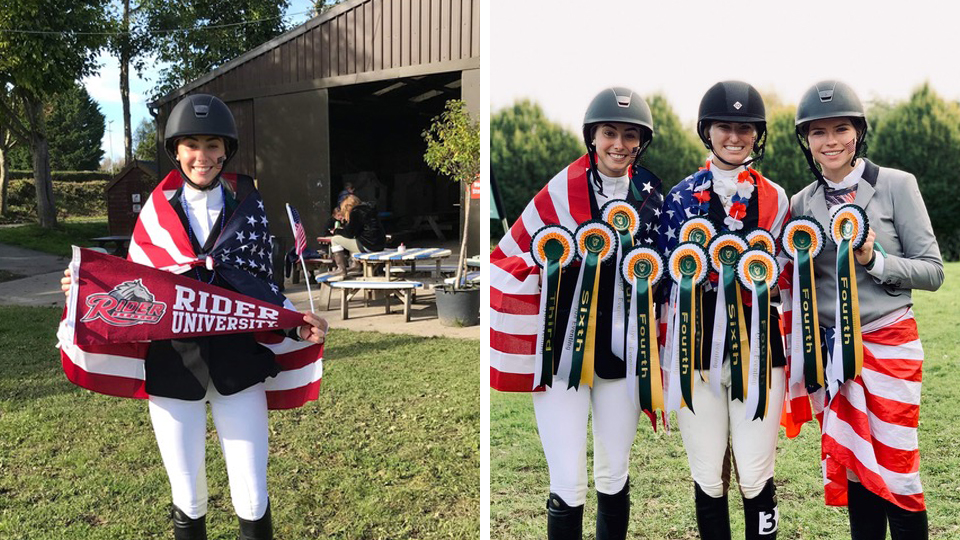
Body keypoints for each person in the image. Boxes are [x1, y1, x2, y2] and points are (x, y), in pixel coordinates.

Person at [60, 94, 326, 540]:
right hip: (174, 364)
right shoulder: (154, 214)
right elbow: (137, 286)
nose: (202, 156)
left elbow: (263, 286)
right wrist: (82, 287)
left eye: (212, 145)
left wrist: (297, 321)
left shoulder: (251, 209)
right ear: (176, 151)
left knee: (252, 493)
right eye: (191, 145)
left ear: (226, 151)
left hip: (238, 364)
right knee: (187, 494)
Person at [490, 87, 663, 540]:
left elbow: (661, 271)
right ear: (592, 135)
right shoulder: (559, 191)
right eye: (610, 132)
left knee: (615, 474)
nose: (619, 144)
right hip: (563, 353)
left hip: (624, 355)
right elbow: (507, 257)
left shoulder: (652, 193)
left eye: (630, 134)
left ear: (641, 141)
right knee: (568, 481)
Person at [790, 80, 943, 540]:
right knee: (854, 463)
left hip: (889, 346)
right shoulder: (801, 203)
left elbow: (932, 271)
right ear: (807, 141)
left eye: (841, 129)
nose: (830, 141)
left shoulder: (897, 185)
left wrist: (874, 261)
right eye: (818, 132)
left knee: (897, 470)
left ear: (859, 132)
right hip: (835, 354)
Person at [658, 81, 789, 540]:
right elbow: (661, 279)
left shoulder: (777, 198)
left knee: (755, 474)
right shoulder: (679, 197)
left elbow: (788, 276)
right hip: (696, 349)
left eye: (745, 128)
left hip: (760, 349)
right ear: (707, 132)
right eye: (724, 127)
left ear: (757, 135)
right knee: (708, 475)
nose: (735, 136)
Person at [327, 194, 386, 280]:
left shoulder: (355, 212)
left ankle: (341, 269)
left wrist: (336, 231)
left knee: (335, 240)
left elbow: (349, 233)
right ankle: (355, 265)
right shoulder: (369, 210)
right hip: (379, 245)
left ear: (347, 207)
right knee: (353, 240)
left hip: (368, 246)